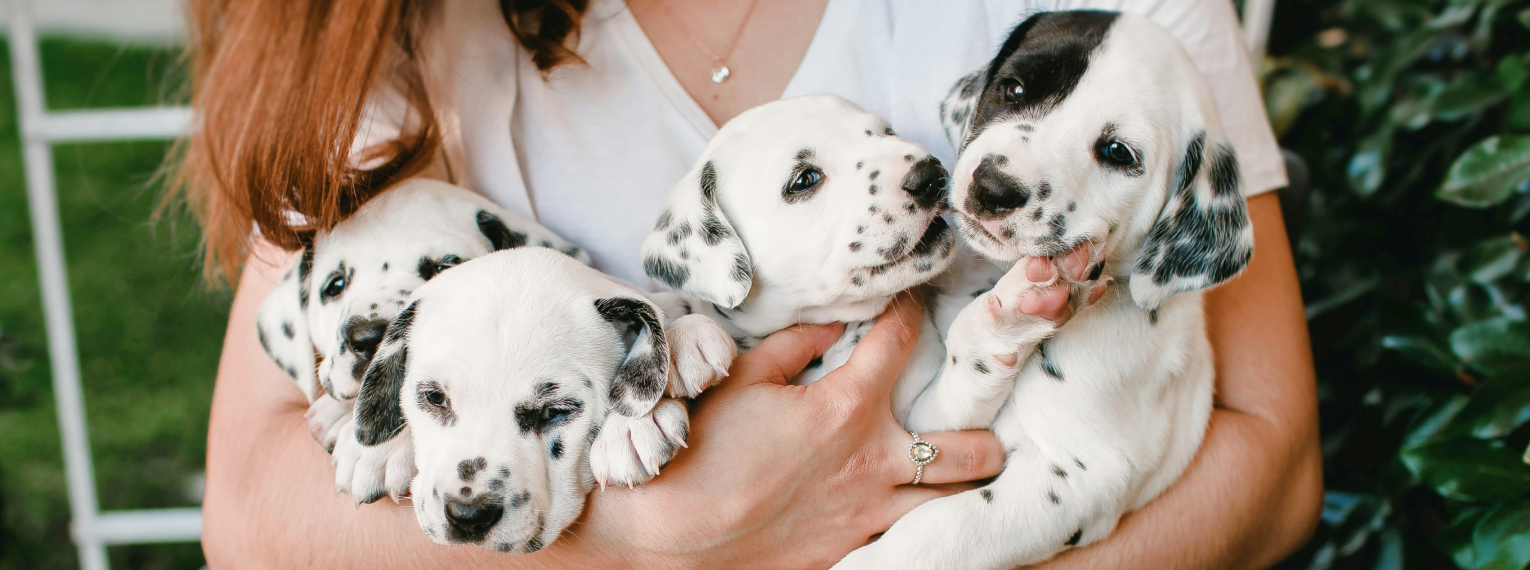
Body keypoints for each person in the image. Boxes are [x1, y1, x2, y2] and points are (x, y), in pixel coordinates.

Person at [183, 0, 1322, 568]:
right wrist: (656, 540)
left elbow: (1270, 463)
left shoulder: (1117, 35)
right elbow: (250, 503)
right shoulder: (396, 24)